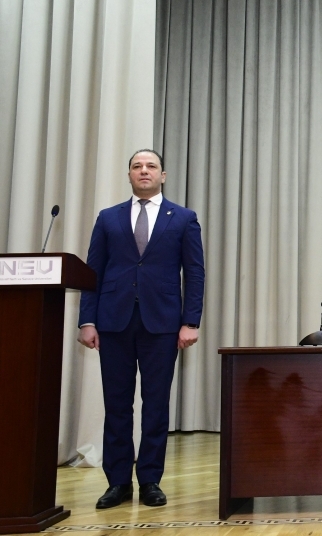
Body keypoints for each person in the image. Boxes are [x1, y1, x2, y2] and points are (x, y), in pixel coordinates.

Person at [77, 149, 205, 508]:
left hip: (162, 324)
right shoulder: (108, 218)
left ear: (162, 175)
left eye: (151, 166)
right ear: (129, 175)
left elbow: (195, 273)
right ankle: (117, 482)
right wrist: (87, 320)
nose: (144, 171)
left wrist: (190, 322)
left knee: (156, 405)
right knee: (117, 405)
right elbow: (92, 272)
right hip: (113, 322)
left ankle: (150, 480)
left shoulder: (183, 218)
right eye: (137, 166)